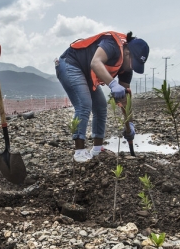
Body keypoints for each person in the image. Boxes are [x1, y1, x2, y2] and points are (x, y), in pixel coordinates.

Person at [55, 31, 149, 162]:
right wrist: (113, 84)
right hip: (70, 64)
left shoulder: (127, 70)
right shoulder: (112, 44)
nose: (132, 68)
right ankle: (79, 153)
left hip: (86, 74)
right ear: (128, 53)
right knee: (84, 104)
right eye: (134, 64)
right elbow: (95, 62)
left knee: (100, 107)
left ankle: (97, 150)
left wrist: (130, 123)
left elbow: (125, 98)